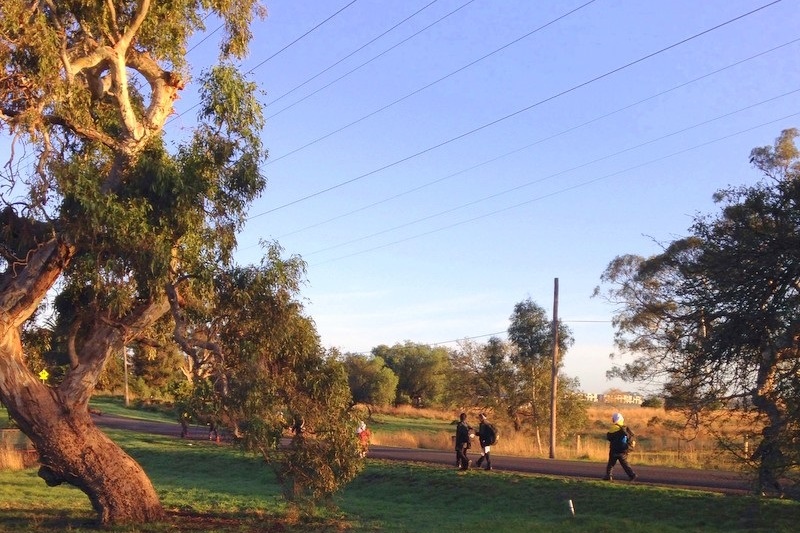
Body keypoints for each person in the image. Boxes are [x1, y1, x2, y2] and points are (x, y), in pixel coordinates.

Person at [604, 412, 637, 481]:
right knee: (625, 464)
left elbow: (609, 437)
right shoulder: (625, 428)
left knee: (611, 464)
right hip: (623, 450)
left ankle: (608, 476)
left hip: (614, 449)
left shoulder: (613, 428)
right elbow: (631, 437)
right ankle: (632, 475)